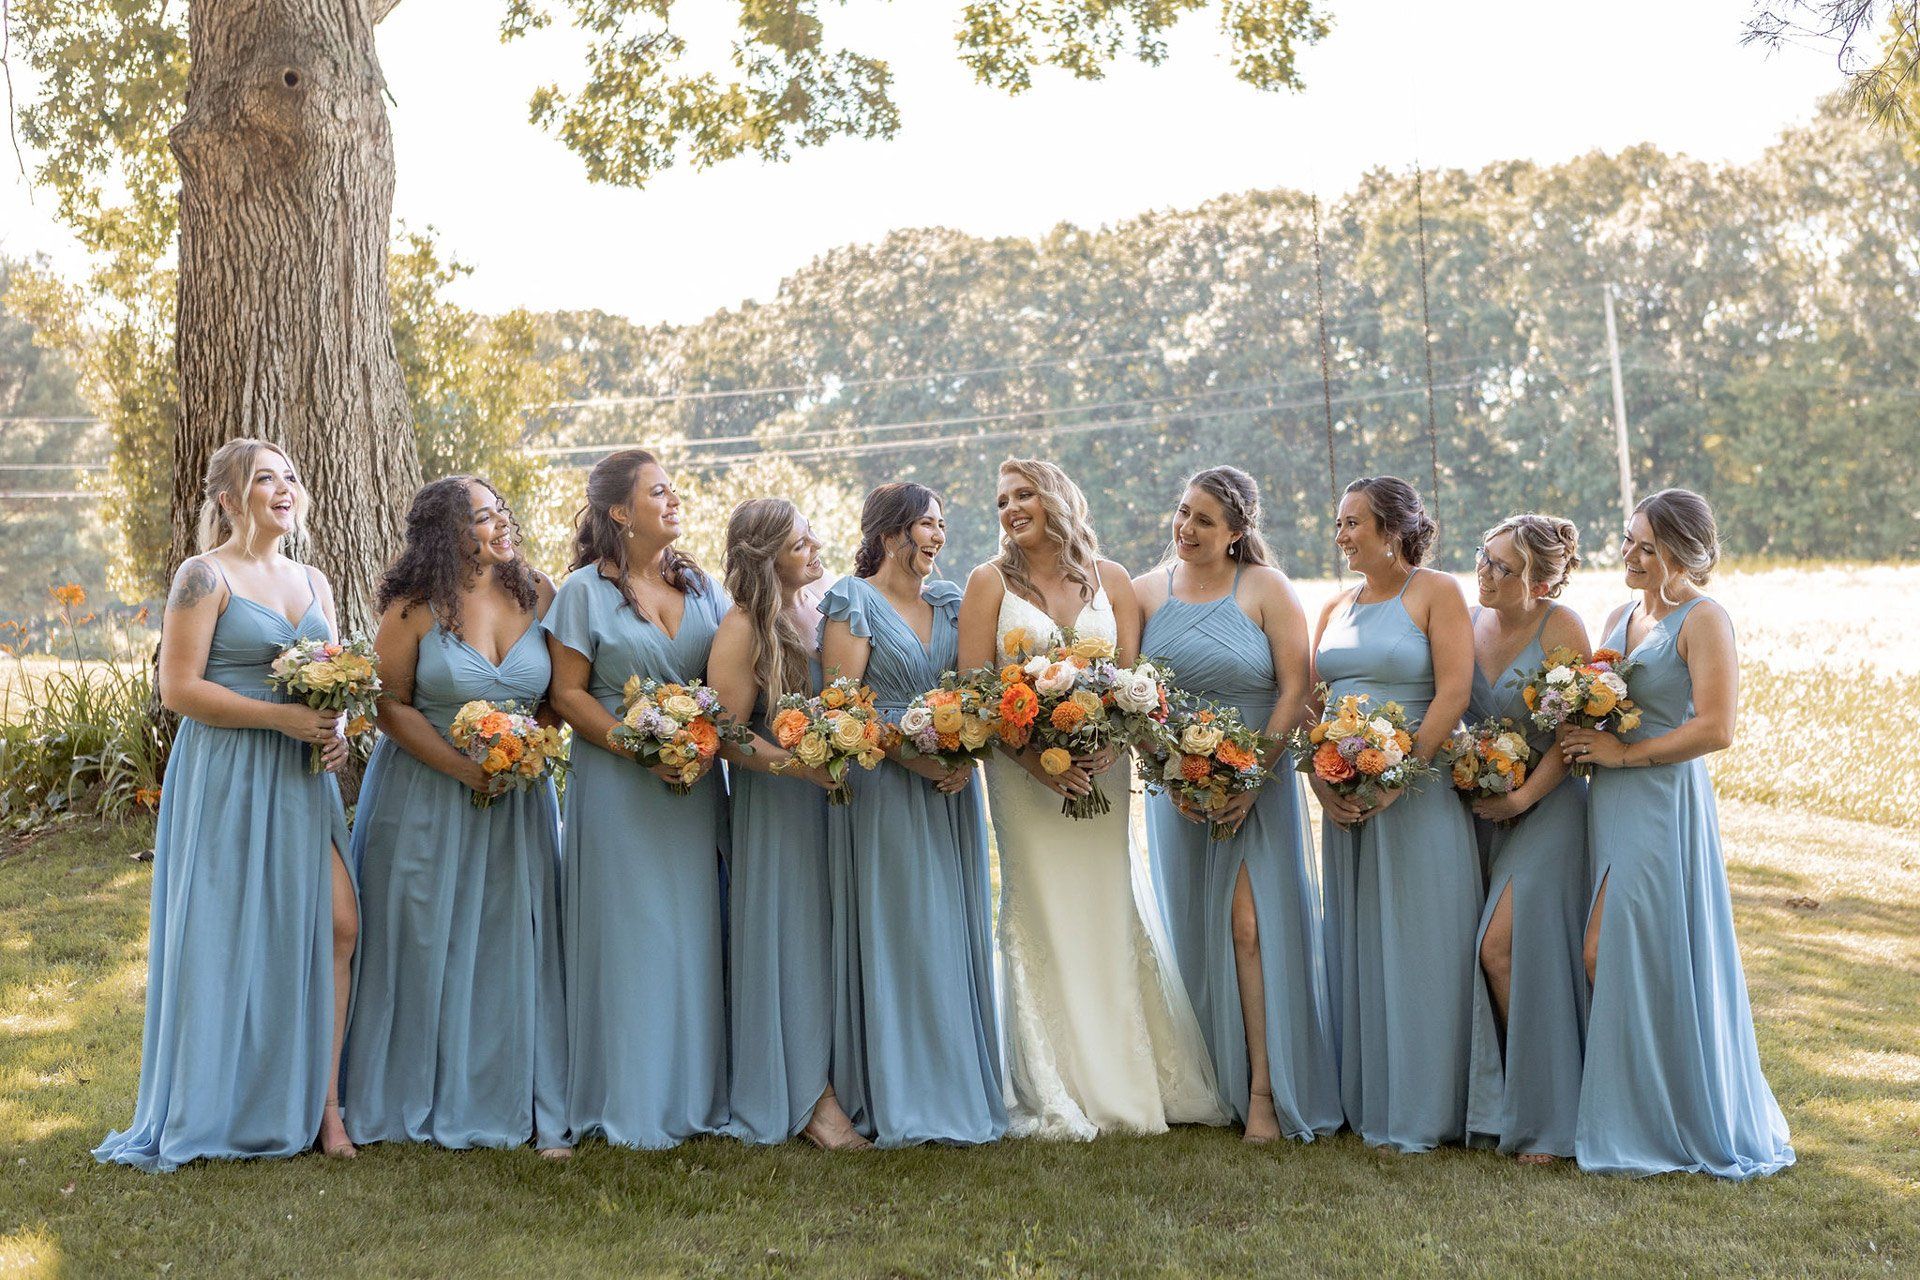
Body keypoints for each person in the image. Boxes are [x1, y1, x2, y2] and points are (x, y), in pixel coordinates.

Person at [96, 437, 358, 1170]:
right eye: (264, 478)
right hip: (228, 772)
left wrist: (337, 731)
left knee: (340, 925)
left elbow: (330, 678)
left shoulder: (315, 579)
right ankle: (220, 1102)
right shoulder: (202, 575)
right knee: (227, 935)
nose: (284, 488)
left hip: (302, 776)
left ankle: (326, 1109)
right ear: (226, 497)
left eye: (291, 477)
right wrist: (280, 719)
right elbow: (177, 690)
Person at [957, 458, 1226, 1140]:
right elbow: (974, 692)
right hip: (1024, 780)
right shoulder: (988, 582)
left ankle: (1122, 1073)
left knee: (1105, 905)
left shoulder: (1111, 581)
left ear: (1055, 498)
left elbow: (1133, 684)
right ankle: (1055, 1083)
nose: (1011, 509)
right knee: (1042, 911)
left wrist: (1116, 740)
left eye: (1023, 495)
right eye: (1002, 500)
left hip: (1102, 773)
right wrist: (1034, 760)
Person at [1562, 489, 1793, 1178]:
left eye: (1644, 546)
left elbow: (1717, 727)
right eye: (1628, 539)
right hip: (1608, 801)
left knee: (1608, 951)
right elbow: (1596, 696)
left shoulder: (1704, 618)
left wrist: (1623, 755)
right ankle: (1631, 1108)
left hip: (1661, 800)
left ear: (1680, 553)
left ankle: (1658, 1115)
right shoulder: (1619, 614)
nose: (1629, 554)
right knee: (1626, 953)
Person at [342, 476, 569, 1157]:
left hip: (517, 803)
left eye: (502, 510)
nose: (501, 524)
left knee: (512, 944)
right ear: (447, 532)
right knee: (422, 939)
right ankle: (413, 1092)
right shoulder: (415, 609)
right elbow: (389, 705)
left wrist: (527, 749)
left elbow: (560, 693)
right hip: (425, 797)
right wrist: (462, 765)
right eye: (481, 516)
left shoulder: (540, 593)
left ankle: (515, 1095)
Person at [1137, 466, 1340, 1144]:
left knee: (1251, 928)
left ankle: (1265, 1088)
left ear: (1236, 533)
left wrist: (1254, 776)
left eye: (1202, 520)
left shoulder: (1265, 588)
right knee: (1197, 928)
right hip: (1179, 790)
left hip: (1261, 783)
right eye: (1182, 512)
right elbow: (1133, 696)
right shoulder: (1143, 593)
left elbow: (1296, 688)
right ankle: (1211, 1083)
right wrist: (1167, 770)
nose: (1185, 528)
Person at [544, 448, 730, 1147]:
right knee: (632, 941)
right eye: (659, 492)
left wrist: (700, 747)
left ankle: (696, 1096)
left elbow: (725, 679)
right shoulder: (583, 593)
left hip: (696, 788)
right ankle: (625, 1097)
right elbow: (564, 695)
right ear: (620, 512)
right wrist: (641, 746)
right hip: (620, 789)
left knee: (692, 935)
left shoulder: (703, 584)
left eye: (675, 489)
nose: (674, 499)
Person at [821, 483, 1006, 1146]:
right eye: (928, 524)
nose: (938, 537)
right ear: (891, 530)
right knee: (903, 931)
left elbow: (978, 688)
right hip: (885, 788)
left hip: (952, 790)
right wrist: (916, 758)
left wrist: (969, 750)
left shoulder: (951, 603)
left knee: (950, 930)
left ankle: (956, 1085)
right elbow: (845, 708)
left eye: (942, 526)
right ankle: (904, 1093)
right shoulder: (853, 600)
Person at [1310, 475, 1481, 1152]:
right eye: (1340, 524)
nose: (1343, 535)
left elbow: (1454, 691)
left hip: (1416, 793)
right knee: (1357, 938)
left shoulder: (1435, 593)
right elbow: (1313, 701)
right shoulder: (1334, 605)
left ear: (1392, 529)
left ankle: (1428, 1105)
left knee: (1422, 940)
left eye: (1354, 523)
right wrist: (1322, 780)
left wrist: (1399, 775)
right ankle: (1365, 1096)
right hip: (1344, 795)